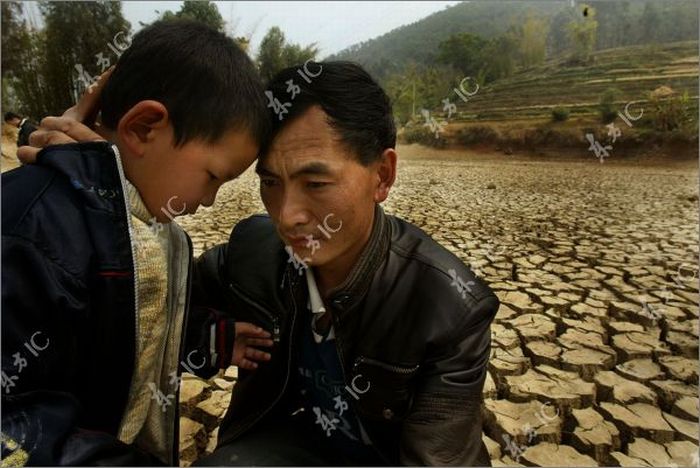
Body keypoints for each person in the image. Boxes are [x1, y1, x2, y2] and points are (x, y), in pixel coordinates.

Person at [192, 61, 500, 466]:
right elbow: (154, 306)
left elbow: (436, 458)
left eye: (315, 184)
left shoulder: (447, 307)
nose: (286, 216)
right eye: (270, 182)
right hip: (290, 445)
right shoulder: (256, 251)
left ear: (383, 176)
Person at [1, 20, 272, 466]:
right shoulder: (32, 234)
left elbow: (129, 331)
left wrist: (211, 338)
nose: (208, 201)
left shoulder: (151, 227)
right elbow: (15, 423)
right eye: (213, 178)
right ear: (145, 127)